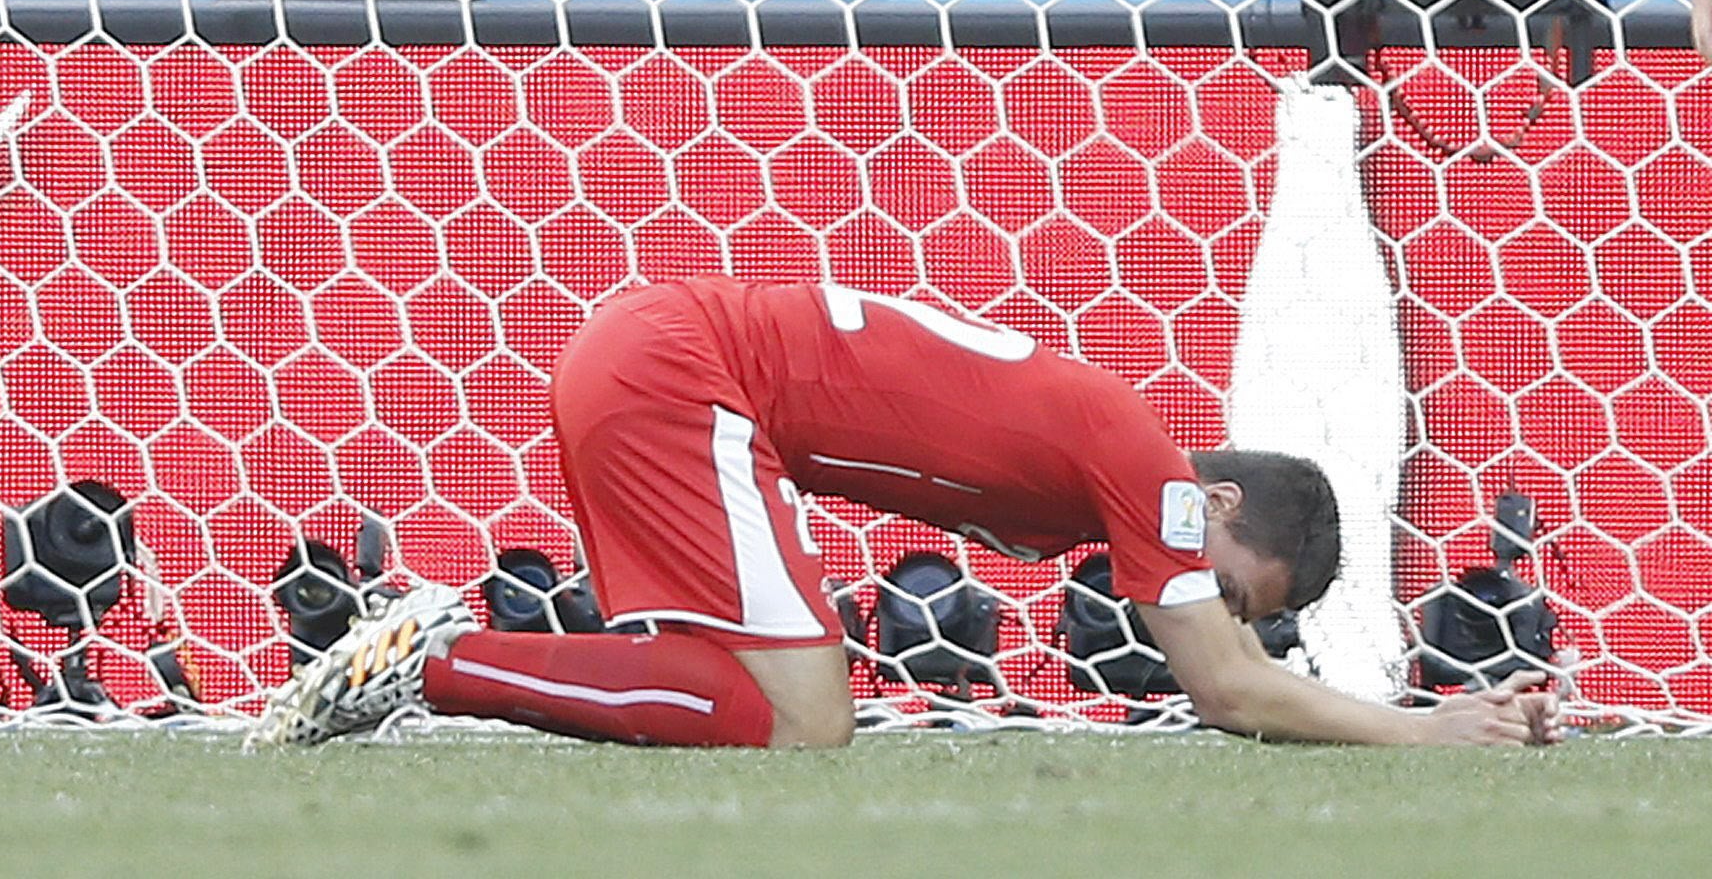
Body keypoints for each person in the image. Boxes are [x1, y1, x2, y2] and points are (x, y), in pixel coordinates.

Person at [260, 273, 1565, 751]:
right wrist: (1430, 729)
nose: (1208, 614)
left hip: (663, 367)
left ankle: (432, 662)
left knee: (732, 691)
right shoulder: (1158, 471)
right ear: (1217, 501)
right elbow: (1229, 692)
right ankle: (436, 663)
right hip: (681, 375)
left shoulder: (1106, 461)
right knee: (805, 712)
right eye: (1234, 588)